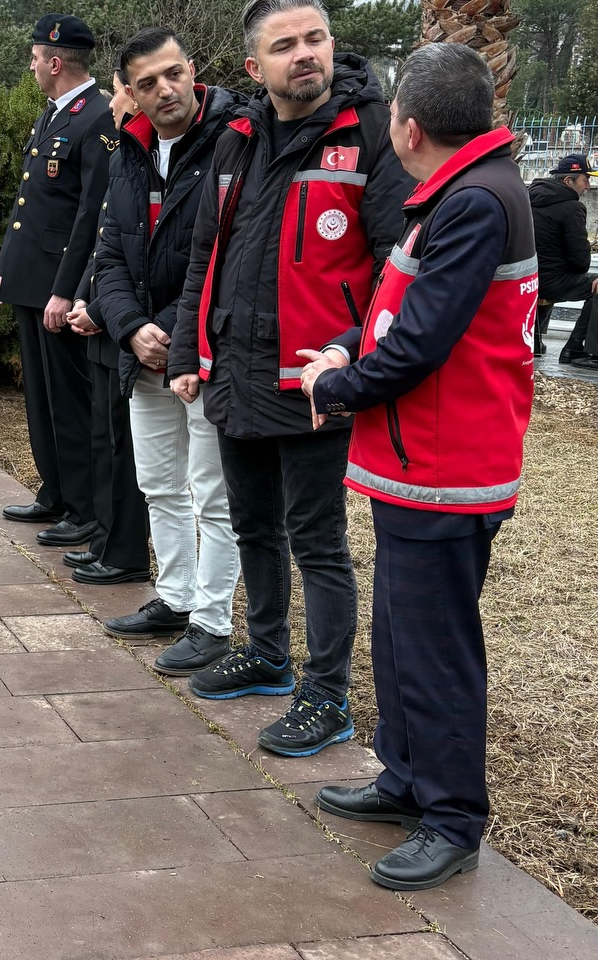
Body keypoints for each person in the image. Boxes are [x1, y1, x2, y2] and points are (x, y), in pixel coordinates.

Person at [303, 43, 536, 891]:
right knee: (402, 637)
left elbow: (420, 343)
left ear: (406, 129)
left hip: (446, 466)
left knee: (435, 650)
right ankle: (405, 778)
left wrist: (336, 386)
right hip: (422, 463)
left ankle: (452, 819)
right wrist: (344, 345)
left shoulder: (472, 201)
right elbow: (395, 307)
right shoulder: (462, 189)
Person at [166, 0, 412, 756]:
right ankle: (268, 654)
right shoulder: (235, 139)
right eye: (285, 45)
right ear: (255, 66)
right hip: (235, 372)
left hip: (314, 380)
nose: (304, 54)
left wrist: (346, 350)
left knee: (319, 542)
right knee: (252, 526)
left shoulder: (369, 134)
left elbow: (396, 268)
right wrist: (186, 352)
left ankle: (327, 694)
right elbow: (205, 255)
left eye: (315, 39)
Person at [79, 29, 245, 674]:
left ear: (191, 69)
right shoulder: (131, 149)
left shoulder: (235, 140)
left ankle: (212, 620)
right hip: (143, 348)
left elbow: (232, 254)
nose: (165, 90)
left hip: (205, 348)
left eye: (173, 74)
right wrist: (129, 328)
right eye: (146, 83)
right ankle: (176, 598)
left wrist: (170, 331)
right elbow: (110, 253)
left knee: (212, 494)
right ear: (130, 91)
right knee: (160, 485)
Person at [0, 15, 115, 560]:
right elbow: (29, 204)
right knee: (41, 398)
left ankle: (83, 508)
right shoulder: (56, 112)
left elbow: (90, 215)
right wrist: (6, 267)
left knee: (69, 400)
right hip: (32, 280)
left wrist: (68, 290)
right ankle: (55, 492)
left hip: (58, 287)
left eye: (35, 58)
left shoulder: (97, 117)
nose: (32, 67)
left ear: (56, 62)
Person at [529, 155, 598, 366]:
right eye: (585, 179)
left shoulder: (527, 198)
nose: (588, 186)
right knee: (596, 284)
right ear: (568, 180)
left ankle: (534, 342)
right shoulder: (572, 208)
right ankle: (575, 349)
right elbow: (580, 261)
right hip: (551, 282)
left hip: (525, 279)